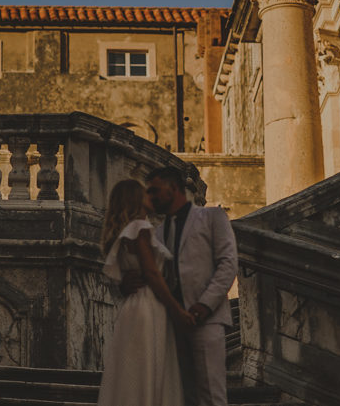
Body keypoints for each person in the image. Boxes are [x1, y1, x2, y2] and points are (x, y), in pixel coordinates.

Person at [137, 166, 238, 406]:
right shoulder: (158, 232)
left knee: (212, 396)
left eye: (155, 191)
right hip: (173, 323)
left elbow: (228, 263)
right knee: (181, 397)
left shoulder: (212, 217)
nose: (150, 198)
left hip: (208, 319)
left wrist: (205, 305)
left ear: (173, 188)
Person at [98, 179, 194, 406]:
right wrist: (176, 309)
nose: (151, 197)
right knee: (148, 370)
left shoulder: (128, 231)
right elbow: (151, 273)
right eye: (145, 194)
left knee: (134, 372)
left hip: (133, 306)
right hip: (148, 306)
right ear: (135, 199)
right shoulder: (140, 228)